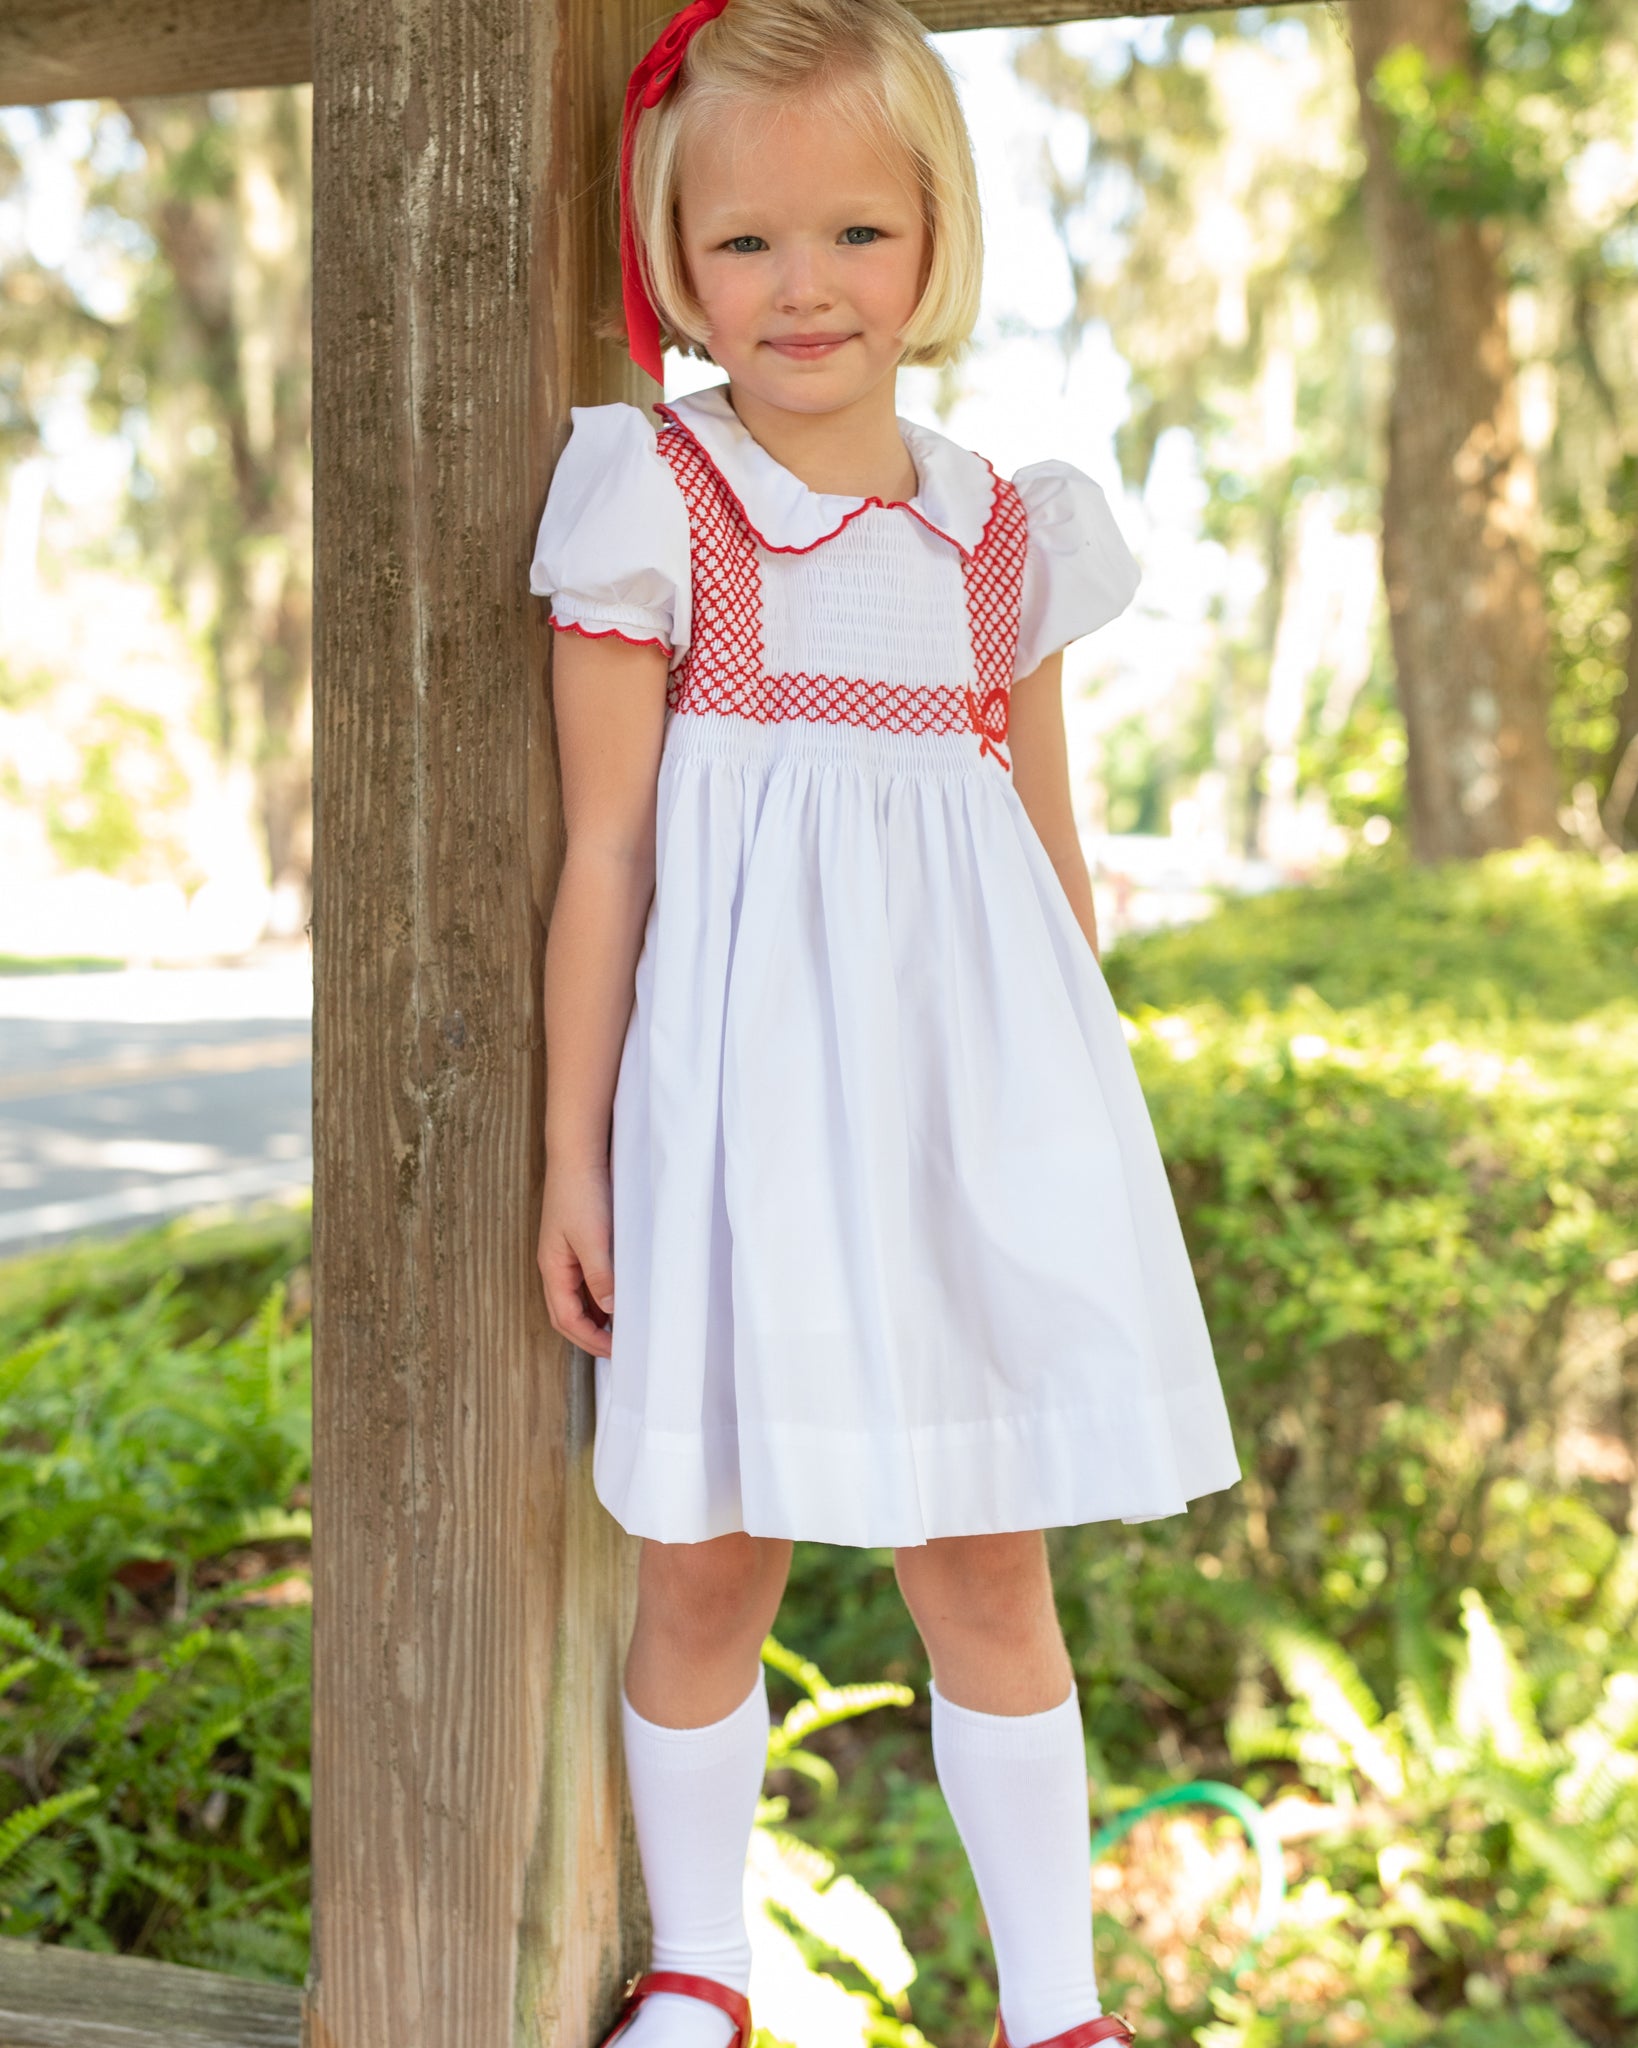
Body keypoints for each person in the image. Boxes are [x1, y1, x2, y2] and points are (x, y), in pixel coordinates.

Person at [530, 3, 1240, 2044]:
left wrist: (1077, 1143)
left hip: (958, 1130)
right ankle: (702, 1972)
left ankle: (1056, 2007)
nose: (802, 286)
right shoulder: (654, 502)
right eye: (743, 243)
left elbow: (1043, 868)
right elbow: (608, 861)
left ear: (936, 241)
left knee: (984, 1566)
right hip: (737, 1130)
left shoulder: (999, 532)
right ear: (671, 253)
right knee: (701, 1568)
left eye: (855, 231)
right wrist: (578, 1157)